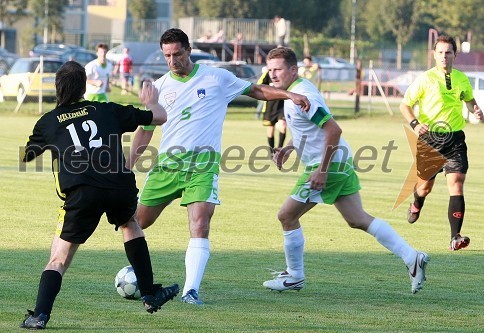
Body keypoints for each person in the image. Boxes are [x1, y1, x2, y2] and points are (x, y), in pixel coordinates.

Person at [127, 28, 310, 305]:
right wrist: (127, 166)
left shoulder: (216, 77)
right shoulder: (160, 87)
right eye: (167, 55)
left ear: (188, 50)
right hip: (167, 166)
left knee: (199, 224)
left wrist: (288, 95)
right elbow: (145, 130)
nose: (173, 60)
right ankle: (137, 276)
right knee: (135, 223)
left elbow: (256, 90)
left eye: (177, 53)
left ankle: (191, 291)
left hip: (203, 164)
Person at [19, 61, 178, 330]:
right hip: (119, 185)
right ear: (84, 87)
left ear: (58, 88)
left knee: (58, 258)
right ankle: (150, 294)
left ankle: (40, 316)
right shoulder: (105, 110)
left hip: (82, 192)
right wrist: (151, 100)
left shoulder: (48, 122)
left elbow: (27, 156)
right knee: (130, 224)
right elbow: (159, 117)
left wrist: (41, 143)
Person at [261, 47, 429, 295]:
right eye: (270, 70)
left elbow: (333, 130)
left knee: (286, 216)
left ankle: (295, 276)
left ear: (293, 69)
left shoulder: (303, 96)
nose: (273, 75)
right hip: (338, 161)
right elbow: (311, 131)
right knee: (357, 219)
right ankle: (412, 257)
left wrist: (322, 170)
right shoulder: (294, 92)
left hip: (328, 164)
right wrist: (289, 147)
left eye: (278, 69)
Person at [400, 35, 483, 250]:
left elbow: (468, 98)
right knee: (425, 187)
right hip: (430, 140)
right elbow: (405, 105)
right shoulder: (425, 79)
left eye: (448, 52)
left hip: (455, 139)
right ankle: (417, 202)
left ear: (454, 54)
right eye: (440, 53)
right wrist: (415, 124)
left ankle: (455, 236)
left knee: (456, 183)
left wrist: (475, 108)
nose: (444, 56)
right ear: (434, 55)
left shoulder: (461, 79)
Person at [257, 68, 286, 154]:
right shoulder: (268, 74)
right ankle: (271, 152)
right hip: (270, 106)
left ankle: (279, 150)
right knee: (270, 129)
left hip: (282, 105)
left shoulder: (284, 74)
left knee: (283, 126)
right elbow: (259, 85)